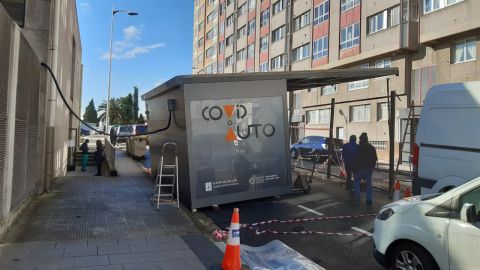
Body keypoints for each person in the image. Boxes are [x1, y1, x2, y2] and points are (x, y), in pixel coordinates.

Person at [353, 133, 377, 204]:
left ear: (361, 140)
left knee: (356, 181)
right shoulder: (372, 147)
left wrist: (355, 169)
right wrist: (372, 167)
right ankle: (369, 199)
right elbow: (375, 159)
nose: (359, 141)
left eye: (360, 139)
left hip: (360, 168)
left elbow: (356, 159)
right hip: (369, 169)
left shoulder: (359, 148)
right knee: (368, 184)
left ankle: (357, 197)